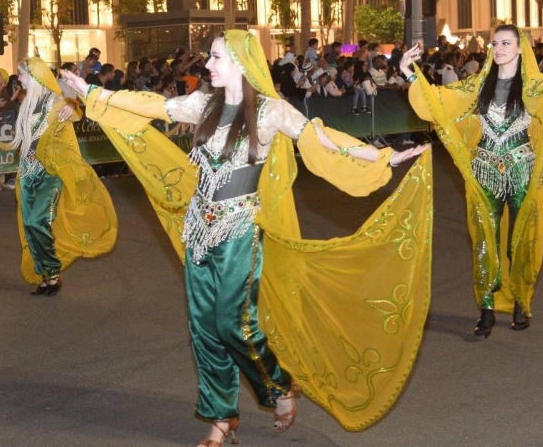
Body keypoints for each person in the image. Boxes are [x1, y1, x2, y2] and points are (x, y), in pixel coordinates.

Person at [65, 30, 433, 445]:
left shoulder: (271, 112)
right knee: (203, 328)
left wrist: (383, 155)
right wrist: (94, 93)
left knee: (232, 324)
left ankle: (278, 386)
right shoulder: (203, 103)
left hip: (239, 230)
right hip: (198, 230)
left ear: (240, 62)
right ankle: (221, 421)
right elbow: (150, 104)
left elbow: (322, 137)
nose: (208, 65)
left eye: (217, 58)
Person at [401, 25, 543, 337]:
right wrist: (409, 71)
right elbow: (438, 100)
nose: (498, 48)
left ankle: (520, 303)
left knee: (520, 240)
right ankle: (486, 308)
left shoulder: (535, 86)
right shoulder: (477, 85)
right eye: (495, 43)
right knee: (483, 241)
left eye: (505, 43)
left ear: (519, 48)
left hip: (522, 170)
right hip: (484, 172)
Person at [3, 57, 118, 295]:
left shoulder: (55, 101)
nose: (19, 80)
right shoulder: (27, 103)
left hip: (49, 173)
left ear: (34, 76)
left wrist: (73, 106)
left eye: (22, 75)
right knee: (29, 225)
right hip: (27, 172)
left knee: (38, 221)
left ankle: (53, 274)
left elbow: (75, 113)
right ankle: (45, 275)